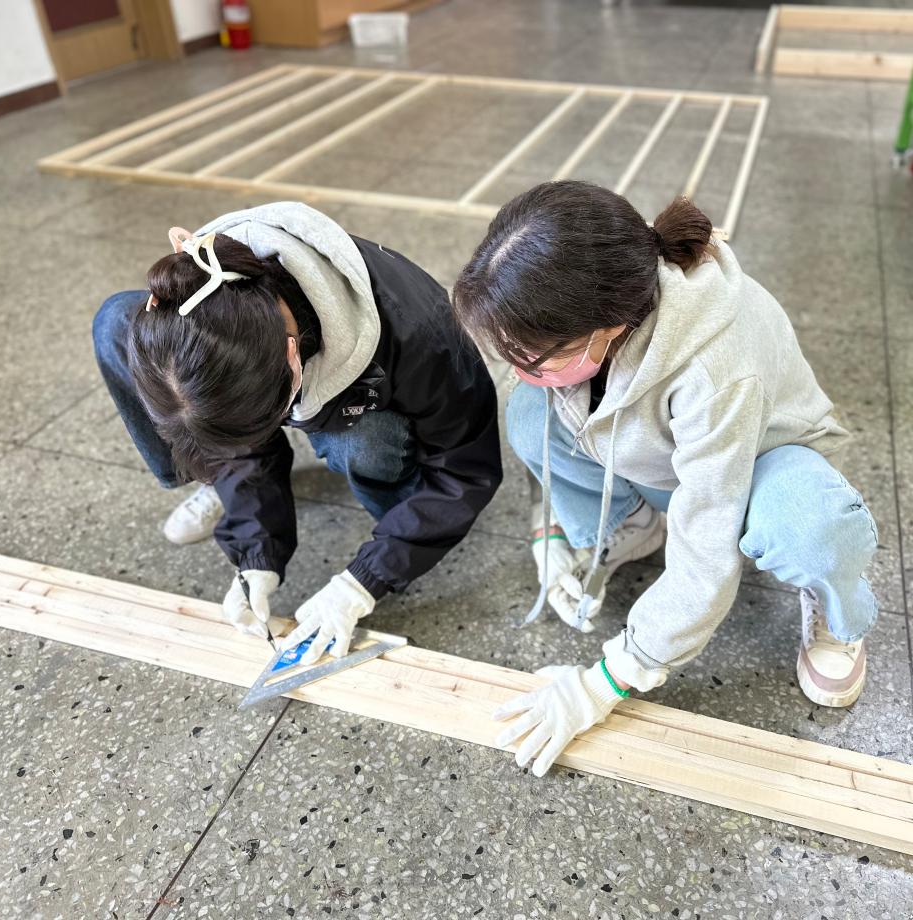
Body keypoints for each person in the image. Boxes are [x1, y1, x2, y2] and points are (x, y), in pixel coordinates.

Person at [452, 181, 878, 778]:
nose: (525, 368)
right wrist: (549, 529)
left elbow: (706, 547)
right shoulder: (612, 300)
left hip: (766, 463)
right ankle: (633, 524)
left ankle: (837, 609)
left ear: (607, 326)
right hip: (677, 457)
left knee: (810, 531)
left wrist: (608, 680)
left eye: (536, 356)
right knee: (529, 413)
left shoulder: (715, 371)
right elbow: (549, 399)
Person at [94, 201, 502, 663]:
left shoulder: (420, 333)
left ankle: (396, 512)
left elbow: (464, 469)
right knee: (115, 321)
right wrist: (256, 552)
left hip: (367, 400)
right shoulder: (201, 304)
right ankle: (222, 486)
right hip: (275, 383)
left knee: (365, 442)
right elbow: (232, 429)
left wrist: (367, 579)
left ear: (292, 361)